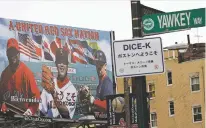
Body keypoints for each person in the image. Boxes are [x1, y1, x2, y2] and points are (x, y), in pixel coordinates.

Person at [0, 38, 41, 116]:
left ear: (19, 53)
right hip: (8, 116)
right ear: (7, 54)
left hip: (23, 114)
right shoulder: (4, 74)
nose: (13, 56)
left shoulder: (27, 73)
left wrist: (30, 110)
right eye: (10, 53)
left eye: (14, 52)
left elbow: (36, 98)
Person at [39, 48, 77, 119]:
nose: (62, 65)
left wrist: (53, 92)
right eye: (60, 62)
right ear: (56, 64)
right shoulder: (49, 83)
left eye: (64, 62)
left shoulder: (72, 90)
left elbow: (66, 115)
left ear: (67, 64)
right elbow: (41, 112)